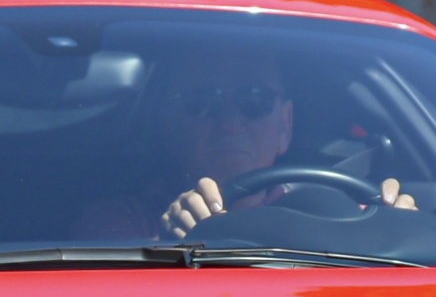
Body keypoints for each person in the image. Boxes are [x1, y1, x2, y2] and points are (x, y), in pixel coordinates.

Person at [73, 47, 414, 242]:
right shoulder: (128, 222)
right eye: (204, 101)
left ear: (286, 126)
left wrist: (398, 230)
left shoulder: (333, 216)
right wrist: (168, 246)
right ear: (168, 125)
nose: (232, 122)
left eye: (256, 100)